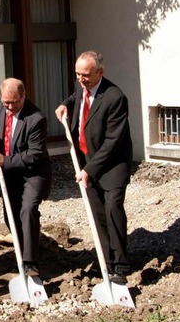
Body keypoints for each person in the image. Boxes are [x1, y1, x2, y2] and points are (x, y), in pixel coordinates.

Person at [55, 50, 133, 284]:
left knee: (112, 210)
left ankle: (120, 265)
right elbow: (75, 97)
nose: (81, 79)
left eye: (86, 75)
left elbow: (113, 142)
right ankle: (105, 262)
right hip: (87, 161)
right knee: (97, 214)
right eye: (78, 74)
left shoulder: (115, 97)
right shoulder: (83, 87)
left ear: (100, 72)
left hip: (112, 165)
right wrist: (64, 105)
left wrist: (90, 170)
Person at [0, 78, 52, 277]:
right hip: (9, 173)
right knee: (11, 215)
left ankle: (30, 263)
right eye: (6, 102)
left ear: (23, 96)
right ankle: (23, 249)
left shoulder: (36, 118)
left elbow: (33, 155)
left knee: (28, 209)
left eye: (14, 102)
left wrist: (4, 160)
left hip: (33, 173)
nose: (9, 107)